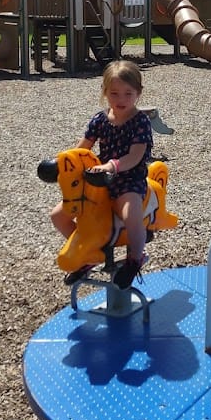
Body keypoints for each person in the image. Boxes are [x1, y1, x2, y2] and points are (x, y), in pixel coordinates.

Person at [50, 59, 153, 289]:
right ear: (105, 92)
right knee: (58, 215)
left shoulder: (140, 122)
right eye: (114, 93)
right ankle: (89, 252)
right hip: (99, 180)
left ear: (138, 93)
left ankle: (135, 258)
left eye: (128, 93)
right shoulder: (100, 120)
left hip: (128, 180)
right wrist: (61, 164)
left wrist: (111, 166)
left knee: (131, 213)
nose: (121, 100)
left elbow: (135, 156)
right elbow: (81, 149)